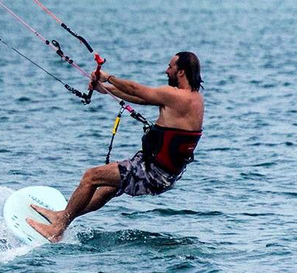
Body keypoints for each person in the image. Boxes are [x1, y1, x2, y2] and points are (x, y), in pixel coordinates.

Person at [27, 51, 205, 242]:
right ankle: (61, 216)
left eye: (170, 67)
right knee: (107, 187)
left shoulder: (176, 96)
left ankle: (57, 229)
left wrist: (108, 77)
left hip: (153, 173)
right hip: (163, 173)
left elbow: (135, 89)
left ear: (181, 72)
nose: (166, 70)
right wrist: (105, 89)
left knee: (91, 176)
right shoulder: (195, 98)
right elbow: (142, 99)